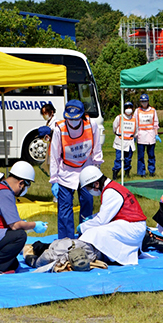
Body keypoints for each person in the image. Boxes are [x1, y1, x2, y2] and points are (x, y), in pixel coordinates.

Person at [49, 100, 104, 239]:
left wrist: (97, 168)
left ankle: (85, 237)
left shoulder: (91, 125)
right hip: (66, 172)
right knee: (65, 210)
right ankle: (66, 240)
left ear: (82, 115)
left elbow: (97, 147)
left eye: (75, 118)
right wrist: (54, 180)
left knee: (87, 203)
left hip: (87, 169)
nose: (72, 122)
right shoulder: (59, 129)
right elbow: (54, 156)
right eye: (69, 119)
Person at [77, 166, 147, 265]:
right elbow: (107, 212)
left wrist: (83, 227)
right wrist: (91, 218)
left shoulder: (110, 192)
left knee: (95, 232)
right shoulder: (112, 188)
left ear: (96, 184)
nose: (89, 192)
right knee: (96, 231)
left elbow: (102, 220)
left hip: (133, 227)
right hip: (131, 225)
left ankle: (109, 256)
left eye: (88, 188)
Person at [134, 93, 160, 177]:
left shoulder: (153, 110)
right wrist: (135, 135)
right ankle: (141, 172)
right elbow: (135, 123)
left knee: (151, 155)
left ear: (148, 101)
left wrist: (156, 135)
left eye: (145, 101)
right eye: (142, 101)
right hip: (141, 135)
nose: (144, 103)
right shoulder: (137, 111)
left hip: (150, 135)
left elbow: (155, 123)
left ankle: (151, 171)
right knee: (141, 156)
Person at [112, 101, 137, 180]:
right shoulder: (119, 117)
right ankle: (115, 173)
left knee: (128, 159)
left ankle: (127, 172)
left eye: (130, 108)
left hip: (130, 142)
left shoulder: (134, 119)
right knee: (118, 158)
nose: (128, 109)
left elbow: (136, 131)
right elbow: (114, 128)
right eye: (127, 108)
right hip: (120, 141)